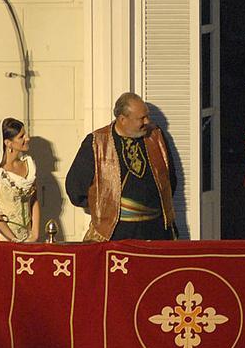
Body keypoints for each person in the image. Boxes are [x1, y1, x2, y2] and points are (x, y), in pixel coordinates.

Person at [65, 92, 178, 241]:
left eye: (147, 116)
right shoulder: (96, 142)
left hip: (156, 231)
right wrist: (104, 207)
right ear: (123, 119)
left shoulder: (156, 136)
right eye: (141, 118)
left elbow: (170, 178)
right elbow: (75, 188)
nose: (147, 121)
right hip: (116, 233)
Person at [0, 117, 40, 242]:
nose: (27, 138)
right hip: (3, 237)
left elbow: (34, 200)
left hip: (27, 236)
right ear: (8, 143)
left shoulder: (28, 165)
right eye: (21, 136)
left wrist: (35, 233)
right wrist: (14, 240)